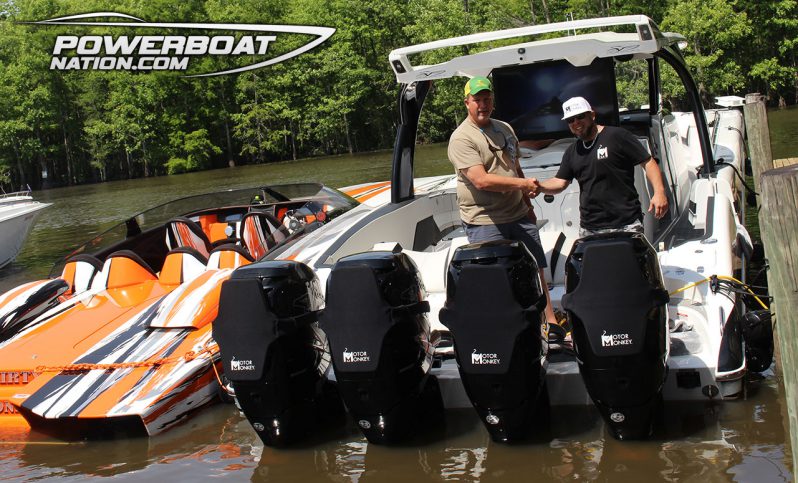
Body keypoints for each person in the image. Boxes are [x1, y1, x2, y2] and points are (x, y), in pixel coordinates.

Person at [447, 76, 558, 327]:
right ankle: (502, 329)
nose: (483, 105)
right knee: (493, 279)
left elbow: (515, 166)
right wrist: (524, 185)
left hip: (518, 214)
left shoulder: (505, 128)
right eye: (477, 100)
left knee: (536, 270)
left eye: (487, 99)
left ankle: (550, 322)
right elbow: (481, 181)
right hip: (484, 220)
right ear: (467, 103)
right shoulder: (461, 138)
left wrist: (528, 206)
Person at [532, 96, 668, 236]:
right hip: (589, 228)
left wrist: (659, 192)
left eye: (580, 116)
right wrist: (539, 186)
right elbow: (560, 182)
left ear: (592, 115)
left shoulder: (618, 136)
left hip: (626, 224)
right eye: (570, 120)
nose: (576, 122)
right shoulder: (572, 151)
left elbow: (648, 162)